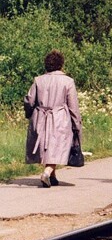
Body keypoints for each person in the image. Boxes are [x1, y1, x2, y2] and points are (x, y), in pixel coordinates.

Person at [24, 49, 82, 188]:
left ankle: (53, 176)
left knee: (47, 146)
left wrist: (29, 113)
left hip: (40, 116)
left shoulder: (38, 80)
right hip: (59, 117)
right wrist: (76, 124)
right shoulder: (68, 81)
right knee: (56, 145)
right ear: (61, 64)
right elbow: (73, 105)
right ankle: (48, 171)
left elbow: (29, 100)